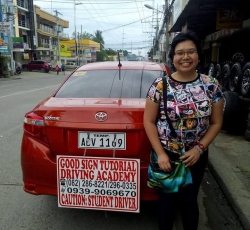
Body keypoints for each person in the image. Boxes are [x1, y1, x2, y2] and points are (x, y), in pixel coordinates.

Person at [143, 31, 224, 230]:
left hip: (195, 157)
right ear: (173, 57)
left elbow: (216, 123)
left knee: (189, 202)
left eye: (190, 52)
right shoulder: (159, 86)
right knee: (166, 203)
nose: (185, 57)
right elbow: (149, 121)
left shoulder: (211, 86)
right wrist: (160, 154)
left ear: (198, 55)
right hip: (166, 157)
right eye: (180, 53)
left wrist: (199, 149)